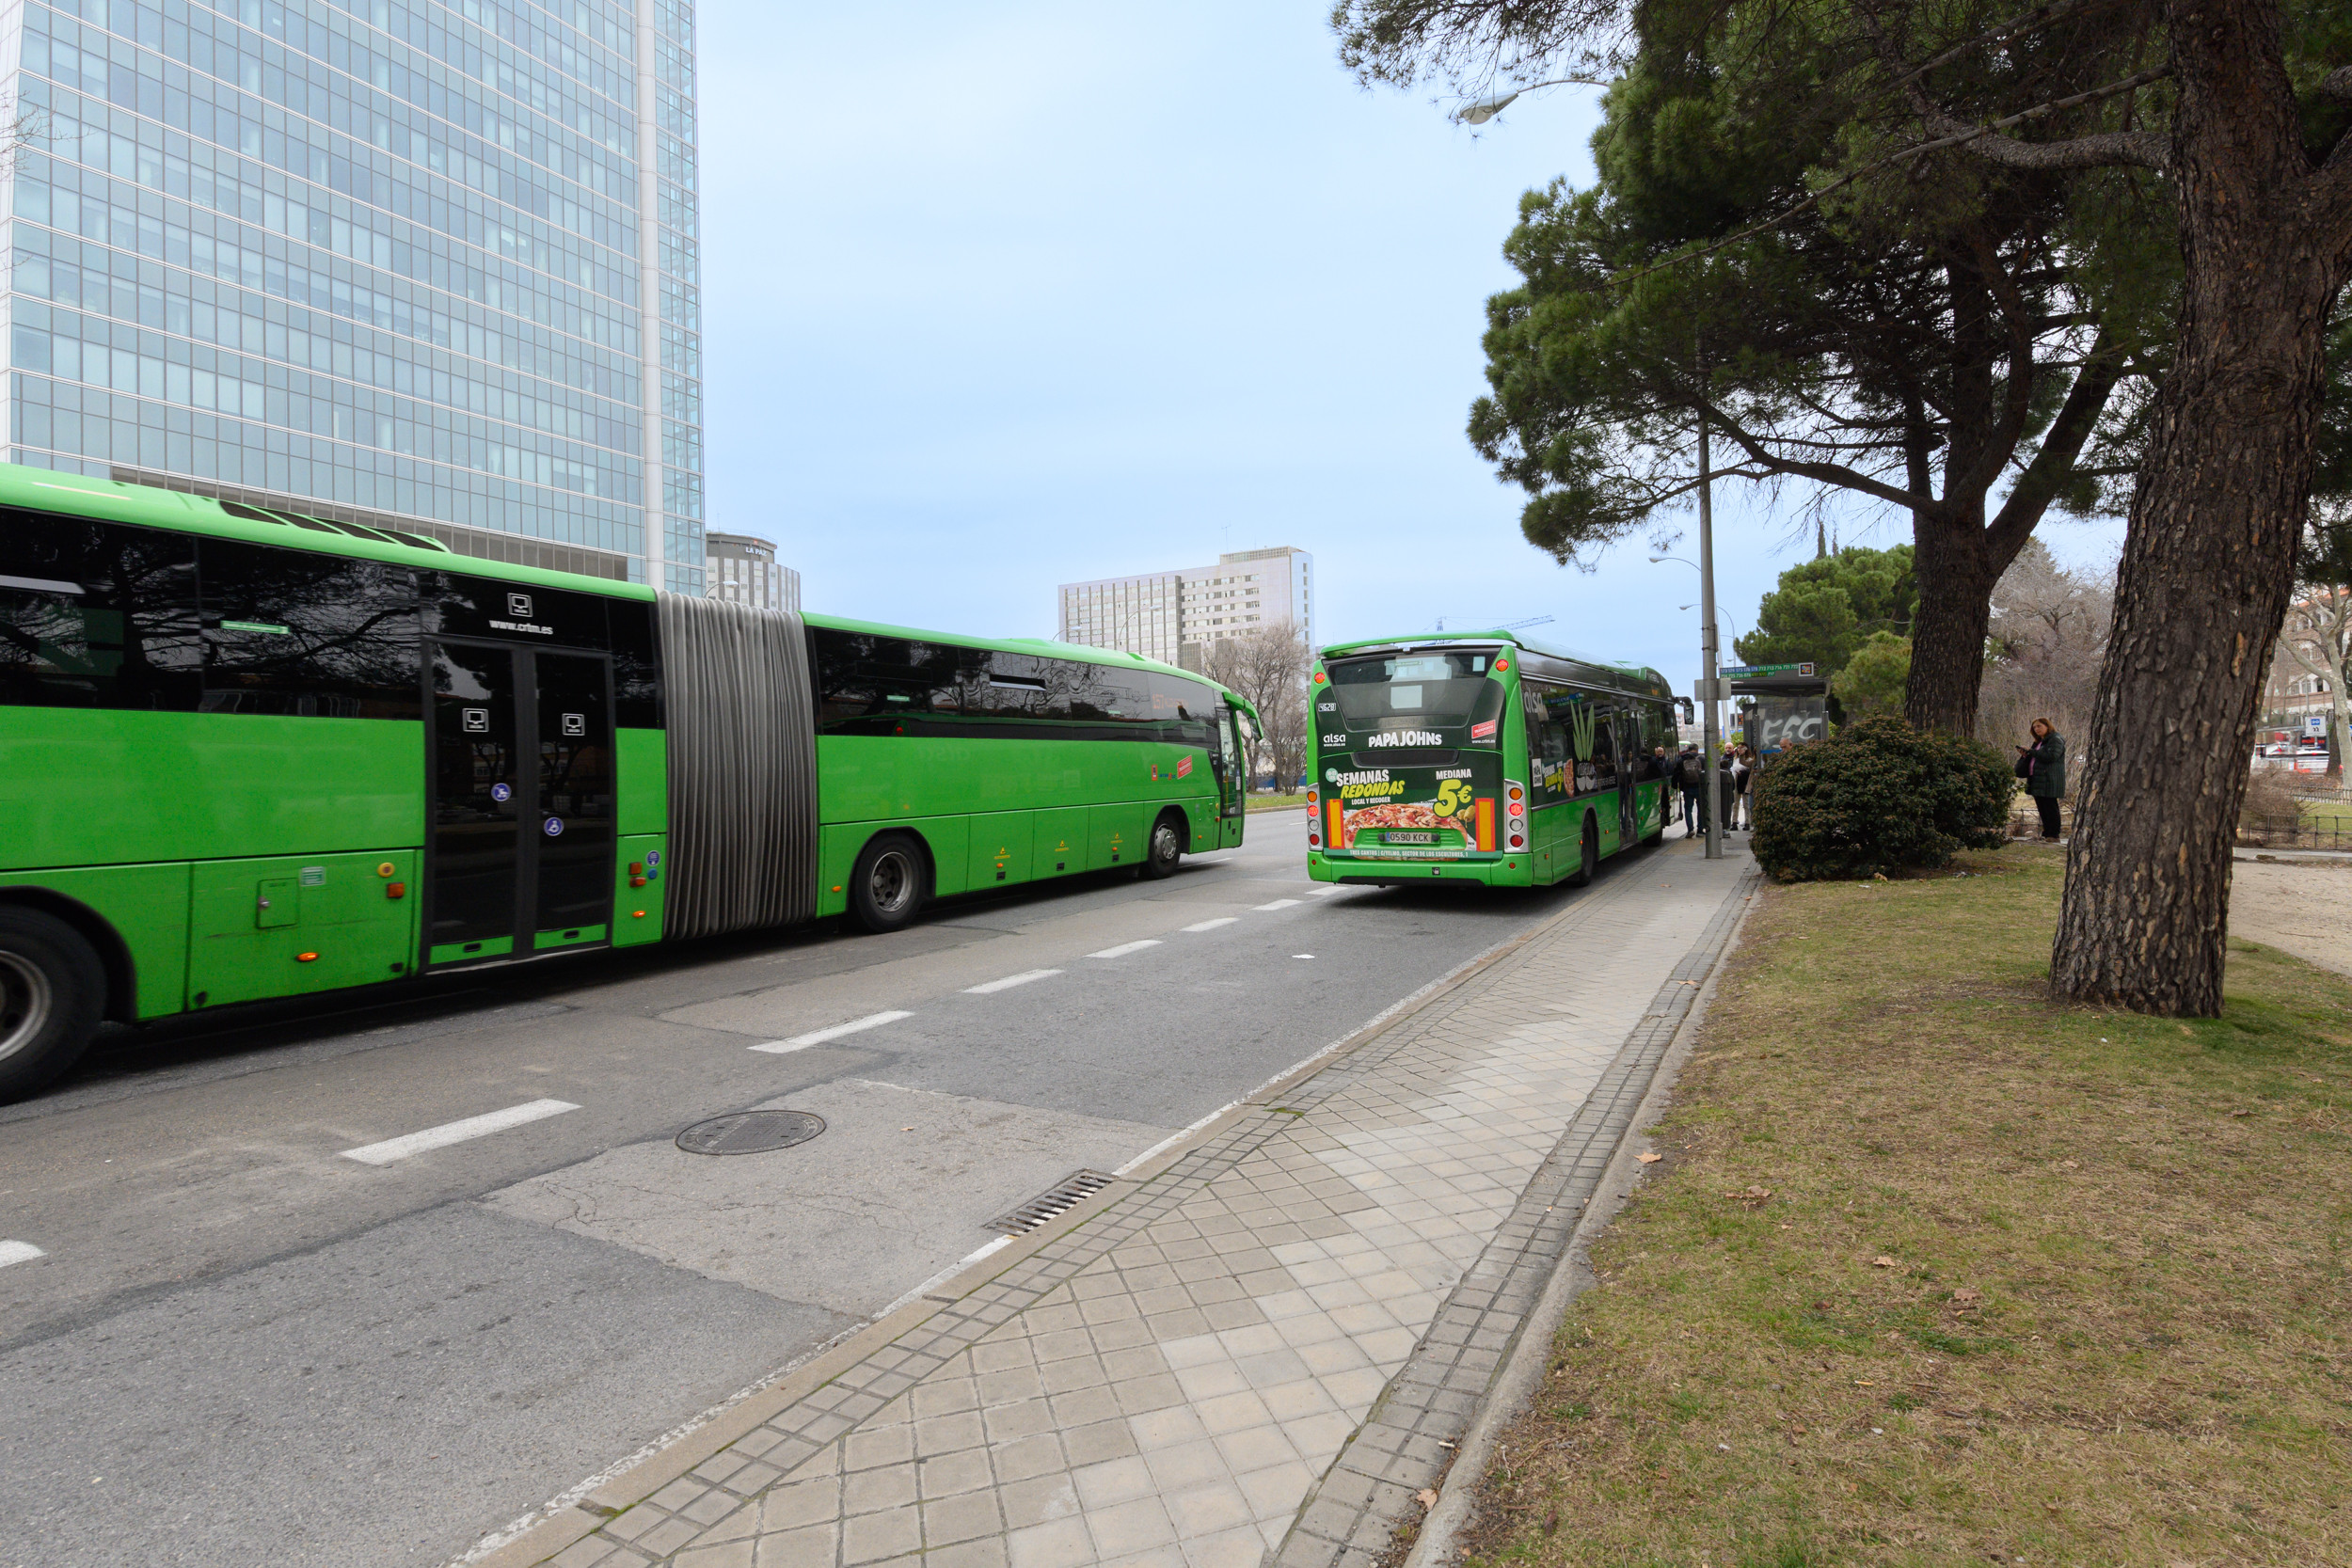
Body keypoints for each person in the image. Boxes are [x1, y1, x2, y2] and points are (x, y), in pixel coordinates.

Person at [2016, 719, 2066, 841]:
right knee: (2042, 808)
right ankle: (2047, 833)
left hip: (2049, 779)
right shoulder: (2039, 742)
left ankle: (2053, 834)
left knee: (2050, 807)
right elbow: (2036, 757)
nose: (2036, 729)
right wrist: (2026, 754)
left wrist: (2032, 751)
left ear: (2047, 726)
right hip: (2036, 779)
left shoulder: (2055, 739)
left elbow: (2052, 756)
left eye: (2039, 726)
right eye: (2034, 727)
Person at [1675, 744, 1709, 836]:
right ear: (1697, 749)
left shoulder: (1681, 760)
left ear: (1688, 750)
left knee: (1688, 809)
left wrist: (1676, 786)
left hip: (1687, 787)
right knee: (1701, 809)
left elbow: (1676, 774)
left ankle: (1690, 830)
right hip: (1699, 787)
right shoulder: (1702, 759)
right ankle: (1700, 830)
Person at [1730, 745, 1755, 830]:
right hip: (1736, 781)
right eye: (1738, 748)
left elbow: (1747, 767)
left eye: (1742, 748)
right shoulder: (1736, 759)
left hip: (1745, 782)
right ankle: (1734, 822)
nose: (1739, 750)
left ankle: (1747, 822)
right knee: (1735, 803)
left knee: (1746, 803)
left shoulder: (1750, 760)